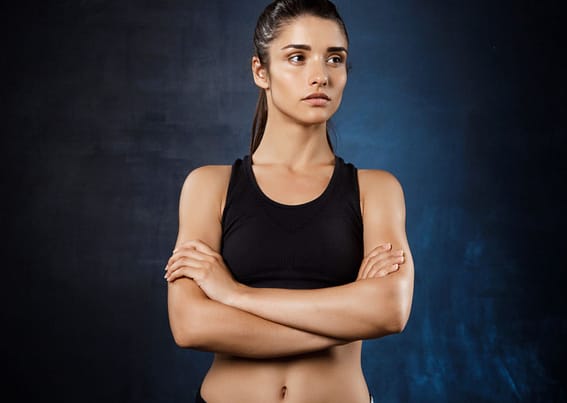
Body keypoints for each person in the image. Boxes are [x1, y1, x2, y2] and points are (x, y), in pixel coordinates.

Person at [163, 1, 414, 402]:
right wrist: (347, 316)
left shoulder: (376, 189)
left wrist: (234, 295)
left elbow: (390, 311)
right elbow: (191, 325)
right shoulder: (209, 186)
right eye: (297, 57)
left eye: (335, 59)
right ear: (260, 72)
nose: (321, 76)